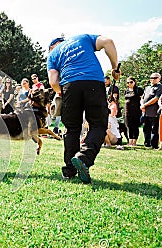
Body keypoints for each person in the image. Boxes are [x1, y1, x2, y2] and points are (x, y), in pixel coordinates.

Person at [47, 34, 120, 184]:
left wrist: (63, 92)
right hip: (93, 81)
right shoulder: (83, 38)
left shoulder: (53, 55)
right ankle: (83, 157)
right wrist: (114, 68)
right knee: (98, 124)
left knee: (71, 128)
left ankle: (69, 171)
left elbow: (53, 82)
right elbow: (108, 42)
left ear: (52, 47)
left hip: (69, 86)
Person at [140, 72, 162, 149]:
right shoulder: (147, 87)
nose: (152, 79)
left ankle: (154, 144)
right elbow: (142, 97)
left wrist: (145, 105)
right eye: (151, 78)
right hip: (145, 112)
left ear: (159, 79)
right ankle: (147, 143)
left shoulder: (160, 87)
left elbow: (156, 98)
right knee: (146, 128)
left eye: (155, 78)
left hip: (154, 112)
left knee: (154, 129)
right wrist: (142, 104)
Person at [123, 77, 143, 146]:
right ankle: (130, 141)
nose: (129, 84)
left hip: (136, 111)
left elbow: (142, 99)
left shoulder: (138, 90)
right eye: (128, 82)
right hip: (127, 111)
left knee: (135, 126)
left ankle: (134, 141)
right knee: (129, 126)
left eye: (131, 82)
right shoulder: (126, 91)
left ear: (134, 82)